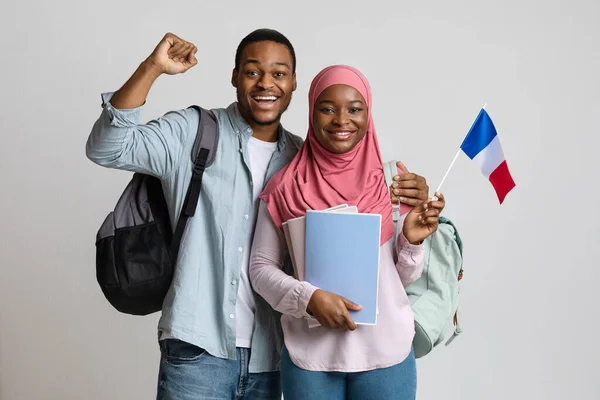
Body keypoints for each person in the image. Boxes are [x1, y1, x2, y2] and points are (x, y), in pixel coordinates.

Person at [86, 29, 430, 399]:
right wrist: (152, 67)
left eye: (279, 73)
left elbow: (368, 259)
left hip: (271, 356)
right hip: (199, 349)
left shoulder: (302, 163)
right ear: (234, 76)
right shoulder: (194, 132)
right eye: (253, 71)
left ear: (295, 83)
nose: (266, 83)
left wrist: (409, 219)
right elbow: (108, 148)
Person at [250, 65, 446, 400]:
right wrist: (309, 299)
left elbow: (404, 278)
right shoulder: (284, 186)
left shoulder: (394, 183)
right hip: (310, 358)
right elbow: (260, 269)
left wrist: (411, 241)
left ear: (368, 115)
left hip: (387, 355)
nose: (342, 120)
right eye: (327, 109)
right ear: (312, 112)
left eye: (355, 109)